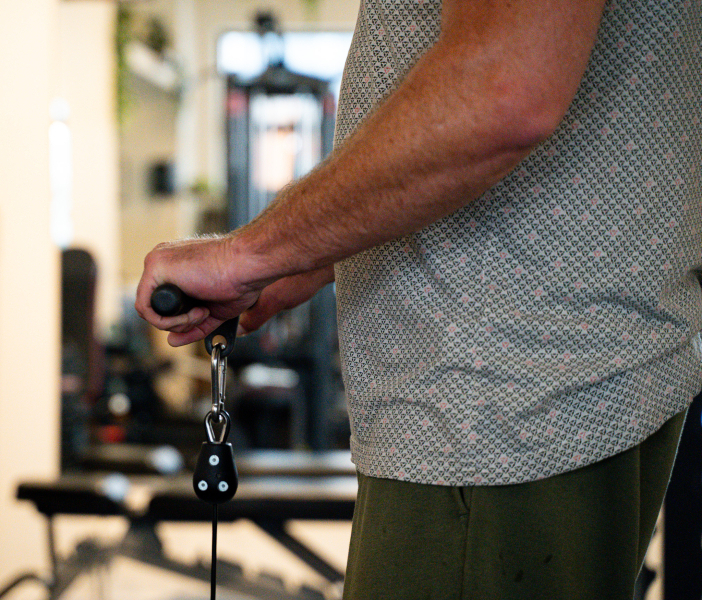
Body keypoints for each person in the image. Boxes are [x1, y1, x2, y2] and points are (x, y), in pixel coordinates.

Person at [136, 0, 702, 597]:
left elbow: (500, 86)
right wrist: (303, 256)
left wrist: (247, 255)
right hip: (530, 395)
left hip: (490, 414)